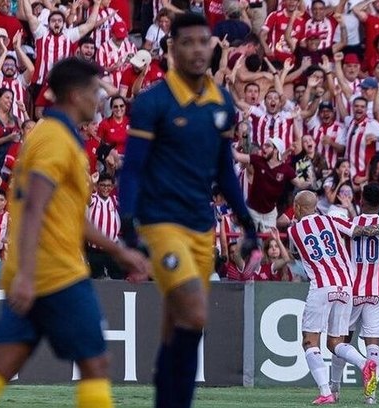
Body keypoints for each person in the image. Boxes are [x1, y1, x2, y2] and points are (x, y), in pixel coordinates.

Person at [0, 57, 149, 408]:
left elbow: (65, 213)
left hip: (35, 272)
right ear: (75, 94)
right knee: (96, 363)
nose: (99, 97)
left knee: (1, 368)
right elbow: (36, 203)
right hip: (56, 274)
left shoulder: (52, 135)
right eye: (94, 90)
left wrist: (117, 250)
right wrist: (26, 272)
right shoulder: (56, 139)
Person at [119, 12, 261, 408]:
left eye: (205, 42)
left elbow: (225, 173)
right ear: (172, 48)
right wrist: (128, 223)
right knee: (196, 314)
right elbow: (131, 168)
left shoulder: (222, 104)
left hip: (202, 227)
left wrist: (246, 222)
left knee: (178, 326)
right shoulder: (153, 102)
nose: (198, 49)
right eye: (189, 42)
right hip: (161, 224)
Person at [288, 190, 379, 405]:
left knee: (310, 341)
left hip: (322, 286)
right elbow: (365, 231)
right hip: (345, 287)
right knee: (335, 342)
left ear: (298, 208)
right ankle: (365, 365)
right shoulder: (334, 220)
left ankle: (327, 391)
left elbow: (296, 254)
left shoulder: (294, 230)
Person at [330, 183, 379, 404]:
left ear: (360, 202)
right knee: (373, 344)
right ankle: (370, 396)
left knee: (342, 340)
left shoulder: (351, 224)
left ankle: (334, 389)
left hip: (352, 291)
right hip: (377, 292)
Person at [86, 173, 123, 280]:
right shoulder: (93, 199)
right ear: (97, 186)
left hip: (112, 249)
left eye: (108, 186)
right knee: (98, 279)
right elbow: (86, 198)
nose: (106, 188)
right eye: (103, 185)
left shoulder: (114, 201)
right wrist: (91, 183)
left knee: (118, 278)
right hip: (95, 251)